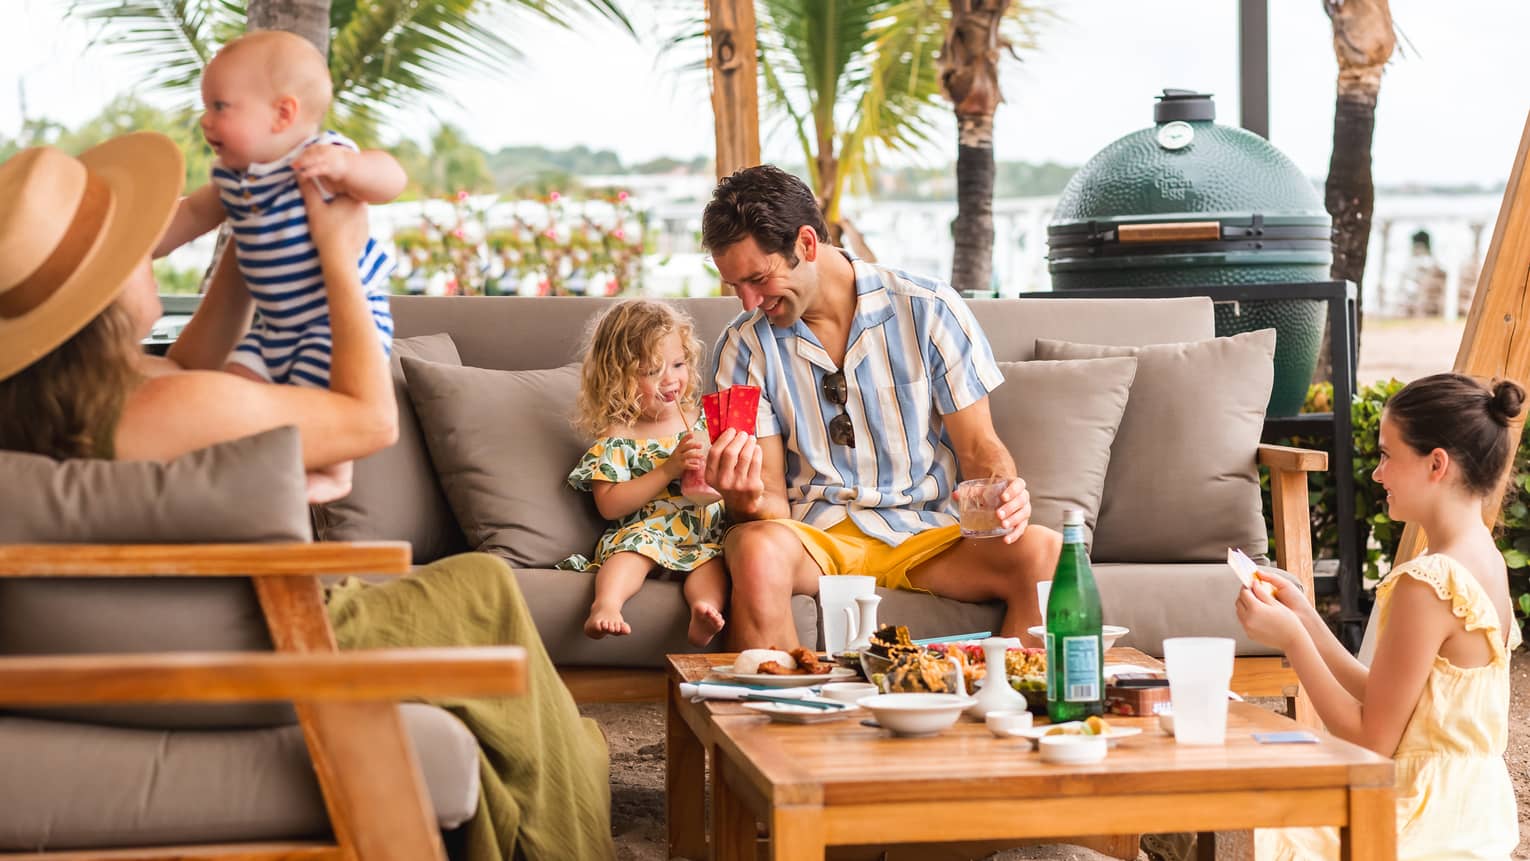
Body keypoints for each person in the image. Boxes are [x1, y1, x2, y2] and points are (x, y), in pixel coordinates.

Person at [0, 133, 612, 861]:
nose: (153, 254)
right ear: (99, 297)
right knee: (480, 587)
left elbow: (191, 362)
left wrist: (242, 252)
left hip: (134, 654)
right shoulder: (170, 409)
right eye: (133, 251)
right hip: (263, 651)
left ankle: (557, 770)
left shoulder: (65, 408)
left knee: (482, 618)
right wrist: (338, 260)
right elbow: (368, 419)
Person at [699, 164, 1061, 650]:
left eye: (758, 278)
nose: (748, 301)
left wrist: (1002, 492)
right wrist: (738, 495)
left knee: (1043, 552)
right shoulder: (741, 347)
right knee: (754, 548)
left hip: (925, 534)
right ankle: (785, 717)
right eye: (735, 286)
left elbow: (980, 449)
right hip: (815, 539)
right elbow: (767, 506)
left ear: (805, 244)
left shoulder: (930, 308)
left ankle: (1003, 711)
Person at [1239, 373, 1523, 860]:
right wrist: (1306, 616)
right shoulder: (1485, 560)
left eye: (1388, 456)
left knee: (1263, 821)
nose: (1377, 474)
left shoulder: (1429, 581)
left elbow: (1372, 740)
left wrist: (1292, 642)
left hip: (1419, 819)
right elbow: (1391, 695)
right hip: (1474, 814)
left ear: (1437, 464)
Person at [153, 29, 407, 493]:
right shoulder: (235, 179)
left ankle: (333, 474)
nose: (205, 121)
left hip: (335, 326)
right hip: (275, 327)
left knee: (323, 406)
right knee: (235, 386)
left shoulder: (321, 158)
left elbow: (391, 177)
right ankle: (266, 478)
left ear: (283, 113)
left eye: (219, 107)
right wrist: (136, 246)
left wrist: (348, 169)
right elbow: (191, 213)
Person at [558, 299, 729, 647]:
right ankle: (606, 605)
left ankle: (704, 610)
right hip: (646, 532)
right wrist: (668, 469)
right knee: (629, 554)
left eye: (678, 364)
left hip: (704, 535)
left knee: (715, 563)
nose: (671, 379)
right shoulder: (620, 435)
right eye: (652, 371)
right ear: (618, 376)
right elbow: (609, 505)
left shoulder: (702, 420)